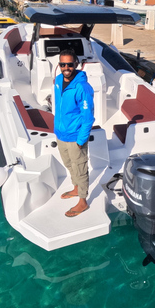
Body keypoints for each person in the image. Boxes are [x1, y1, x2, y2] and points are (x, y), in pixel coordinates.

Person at [54, 50, 95, 217]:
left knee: (80, 168)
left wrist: (81, 140)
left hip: (75, 136)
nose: (66, 68)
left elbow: (88, 117)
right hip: (61, 134)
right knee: (69, 164)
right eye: (62, 64)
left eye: (70, 64)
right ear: (59, 65)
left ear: (76, 65)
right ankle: (76, 188)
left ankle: (83, 201)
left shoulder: (82, 88)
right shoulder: (58, 80)